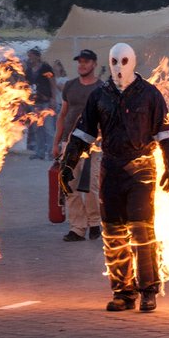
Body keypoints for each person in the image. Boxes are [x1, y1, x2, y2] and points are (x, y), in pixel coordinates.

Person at [59, 42, 169, 313]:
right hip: (110, 168)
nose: (118, 67)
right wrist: (67, 165)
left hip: (141, 170)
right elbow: (83, 134)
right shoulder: (99, 95)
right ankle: (123, 292)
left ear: (133, 62)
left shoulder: (149, 94)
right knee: (113, 233)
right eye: (114, 61)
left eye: (124, 61)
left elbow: (166, 134)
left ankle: (148, 290)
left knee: (141, 229)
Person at [52, 49, 103, 242]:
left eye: (86, 61)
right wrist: (57, 143)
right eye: (80, 61)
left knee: (90, 186)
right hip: (68, 142)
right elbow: (62, 115)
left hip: (92, 145)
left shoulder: (101, 88)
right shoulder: (70, 86)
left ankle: (95, 223)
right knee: (69, 186)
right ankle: (78, 228)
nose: (82, 65)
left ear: (94, 64)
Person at [25, 48, 57, 160]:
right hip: (35, 103)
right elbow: (27, 85)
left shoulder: (45, 68)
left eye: (32, 56)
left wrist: (53, 98)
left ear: (38, 56)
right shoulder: (28, 70)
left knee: (48, 128)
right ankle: (40, 152)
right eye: (29, 56)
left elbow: (52, 82)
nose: (30, 58)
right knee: (37, 129)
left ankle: (52, 153)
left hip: (46, 102)